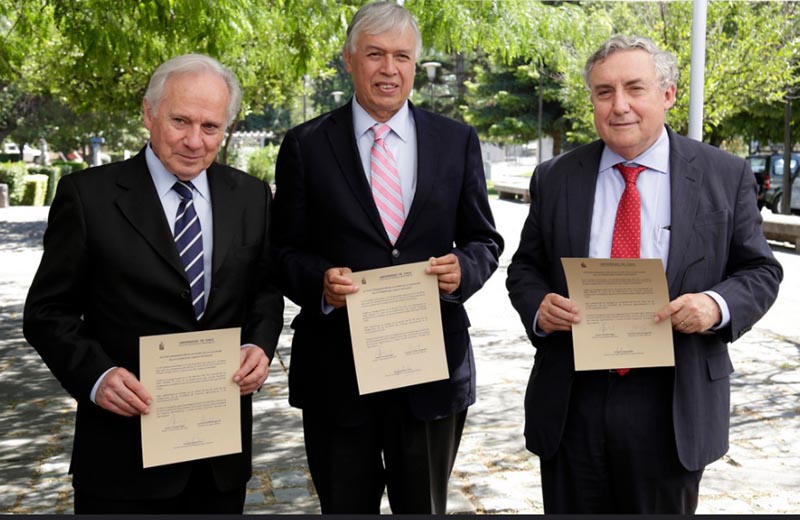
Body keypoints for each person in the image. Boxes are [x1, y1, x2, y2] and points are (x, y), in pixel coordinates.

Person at [506, 35, 783, 514]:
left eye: (634, 88)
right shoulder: (556, 177)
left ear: (668, 94)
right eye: (603, 92)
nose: (620, 106)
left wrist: (714, 306)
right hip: (574, 397)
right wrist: (538, 306)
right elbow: (525, 267)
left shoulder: (724, 174)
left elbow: (760, 270)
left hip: (672, 399)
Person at [23, 53, 284, 514]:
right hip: (121, 459)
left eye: (211, 127)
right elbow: (47, 313)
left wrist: (259, 346)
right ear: (149, 113)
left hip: (218, 455)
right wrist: (96, 376)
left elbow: (264, 291)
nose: (194, 141)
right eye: (180, 121)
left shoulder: (251, 196)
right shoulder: (89, 197)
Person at [270, 1, 503, 514]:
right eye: (374, 54)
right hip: (337, 373)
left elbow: (485, 241)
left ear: (414, 66)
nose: (388, 69)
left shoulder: (455, 140)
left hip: (430, 371)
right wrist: (320, 284)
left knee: (423, 508)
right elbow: (280, 251)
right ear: (349, 60)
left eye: (401, 56)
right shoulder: (306, 145)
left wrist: (464, 270)